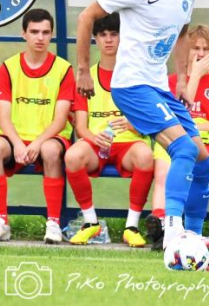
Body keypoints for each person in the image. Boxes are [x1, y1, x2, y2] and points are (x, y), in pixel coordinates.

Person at [76, 0, 209, 272]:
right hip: (132, 86)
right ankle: (173, 238)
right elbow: (87, 17)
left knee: (204, 162)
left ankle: (194, 244)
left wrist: (182, 78)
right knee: (185, 150)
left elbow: (180, 34)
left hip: (160, 87)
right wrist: (83, 70)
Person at [0, 9, 75, 244]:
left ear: (52, 34)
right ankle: (1, 221)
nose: (40, 37)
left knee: (51, 151)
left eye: (45, 32)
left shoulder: (64, 69)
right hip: (14, 136)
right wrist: (16, 143)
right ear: (24, 33)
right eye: (34, 32)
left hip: (49, 137)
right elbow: (3, 117)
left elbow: (60, 119)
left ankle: (53, 223)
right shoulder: (8, 67)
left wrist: (36, 143)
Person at [65, 12, 155, 248]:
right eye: (102, 34)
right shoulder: (87, 77)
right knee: (72, 156)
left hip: (129, 143)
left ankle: (131, 227)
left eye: (114, 34)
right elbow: (81, 126)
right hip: (97, 143)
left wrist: (133, 125)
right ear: (94, 39)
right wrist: (95, 138)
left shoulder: (136, 75)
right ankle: (90, 223)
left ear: (122, 37)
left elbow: (150, 119)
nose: (108, 40)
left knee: (146, 156)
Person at [147, 24, 209, 247]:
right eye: (195, 48)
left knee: (192, 160)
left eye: (206, 49)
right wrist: (193, 76)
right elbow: (177, 112)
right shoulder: (171, 81)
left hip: (206, 145)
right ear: (185, 49)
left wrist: (195, 128)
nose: (201, 54)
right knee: (164, 165)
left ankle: (189, 229)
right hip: (172, 140)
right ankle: (161, 223)